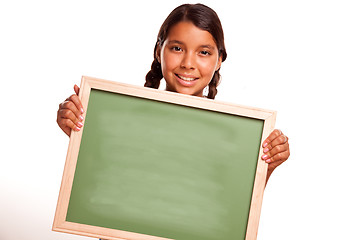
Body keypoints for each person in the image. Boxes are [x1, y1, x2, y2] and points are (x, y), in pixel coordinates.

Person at [57, 3, 290, 184]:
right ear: (159, 51)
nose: (188, 63)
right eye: (177, 48)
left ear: (219, 60)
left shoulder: (236, 136)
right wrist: (78, 133)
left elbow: (233, 213)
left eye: (204, 52)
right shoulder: (118, 118)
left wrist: (265, 167)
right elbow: (101, 186)